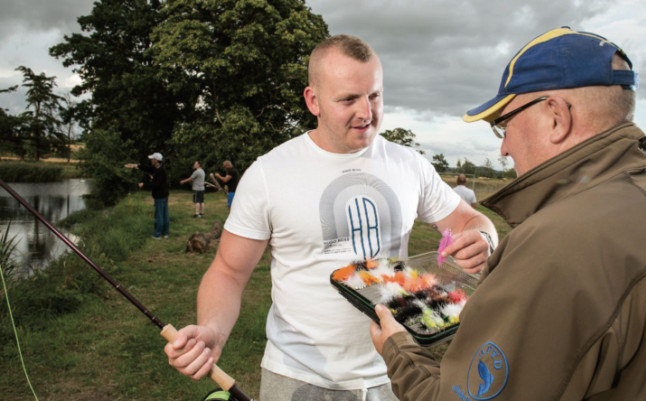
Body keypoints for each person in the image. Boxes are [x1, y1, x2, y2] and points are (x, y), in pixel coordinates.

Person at [164, 34, 497, 401]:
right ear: (313, 101)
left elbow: (470, 221)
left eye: (375, 96)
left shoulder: (409, 164)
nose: (366, 113)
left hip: (398, 372)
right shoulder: (268, 173)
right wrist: (213, 329)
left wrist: (484, 239)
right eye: (348, 99)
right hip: (299, 377)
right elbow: (228, 271)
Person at [369, 27, 646, 400]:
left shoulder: (559, 243)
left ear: (557, 115)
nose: (504, 149)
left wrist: (398, 349)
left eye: (504, 125)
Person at [125, 152, 169, 239]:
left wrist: (144, 184)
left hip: (160, 196)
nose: (151, 160)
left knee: (159, 215)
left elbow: (156, 184)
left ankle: (157, 234)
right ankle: (165, 233)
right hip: (164, 195)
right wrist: (135, 165)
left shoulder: (160, 171)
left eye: (152, 159)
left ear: (156, 161)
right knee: (164, 214)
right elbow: (147, 169)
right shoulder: (157, 168)